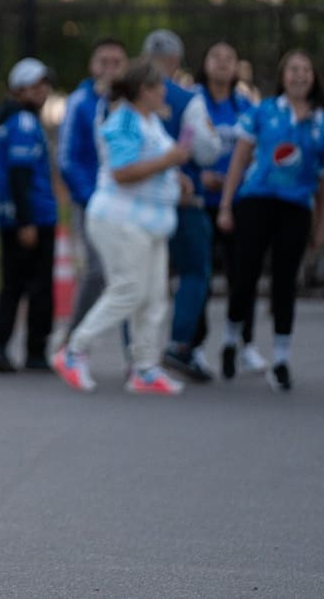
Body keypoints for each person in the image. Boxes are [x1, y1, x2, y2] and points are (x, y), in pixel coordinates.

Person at [52, 57, 192, 396]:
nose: (164, 92)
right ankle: (74, 351)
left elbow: (155, 163)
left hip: (151, 222)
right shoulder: (123, 121)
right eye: (159, 87)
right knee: (128, 290)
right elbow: (122, 171)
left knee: (154, 296)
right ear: (144, 90)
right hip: (120, 219)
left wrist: (177, 179)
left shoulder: (150, 122)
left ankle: (144, 367)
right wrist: (168, 161)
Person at [216, 49, 324, 391]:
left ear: (314, 77)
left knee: (285, 282)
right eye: (293, 70)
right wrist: (227, 205)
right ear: (283, 76)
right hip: (256, 202)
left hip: (295, 209)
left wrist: (319, 226)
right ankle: (231, 339)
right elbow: (239, 161)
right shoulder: (263, 112)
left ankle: (281, 359)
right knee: (245, 275)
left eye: (306, 70)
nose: (300, 76)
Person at [140, 29, 222, 383]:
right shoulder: (188, 100)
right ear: (175, 63)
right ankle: (178, 345)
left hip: (137, 202)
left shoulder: (123, 97)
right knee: (194, 270)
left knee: (140, 277)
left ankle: (137, 355)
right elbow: (207, 151)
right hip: (181, 200)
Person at [0, 58, 56, 374]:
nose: (43, 91)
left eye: (44, 84)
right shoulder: (24, 124)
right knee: (38, 286)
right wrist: (27, 221)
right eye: (35, 85)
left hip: (12, 216)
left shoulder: (8, 121)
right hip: (33, 217)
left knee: (12, 285)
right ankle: (35, 351)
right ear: (19, 89)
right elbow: (20, 175)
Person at [192, 41, 258, 372]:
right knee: (201, 275)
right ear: (204, 64)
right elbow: (181, 147)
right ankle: (197, 345)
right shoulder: (194, 103)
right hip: (202, 202)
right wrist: (198, 175)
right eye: (215, 56)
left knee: (242, 276)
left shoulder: (246, 106)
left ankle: (244, 342)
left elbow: (255, 153)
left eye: (229, 58)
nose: (222, 63)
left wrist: (236, 180)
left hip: (239, 202)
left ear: (236, 68)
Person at [58, 37, 127, 332]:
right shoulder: (80, 101)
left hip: (128, 202)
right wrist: (90, 196)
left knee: (130, 275)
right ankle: (74, 337)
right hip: (92, 202)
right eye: (104, 61)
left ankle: (138, 355)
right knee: (97, 270)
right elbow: (66, 157)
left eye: (117, 62)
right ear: (92, 65)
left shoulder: (131, 103)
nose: (110, 68)